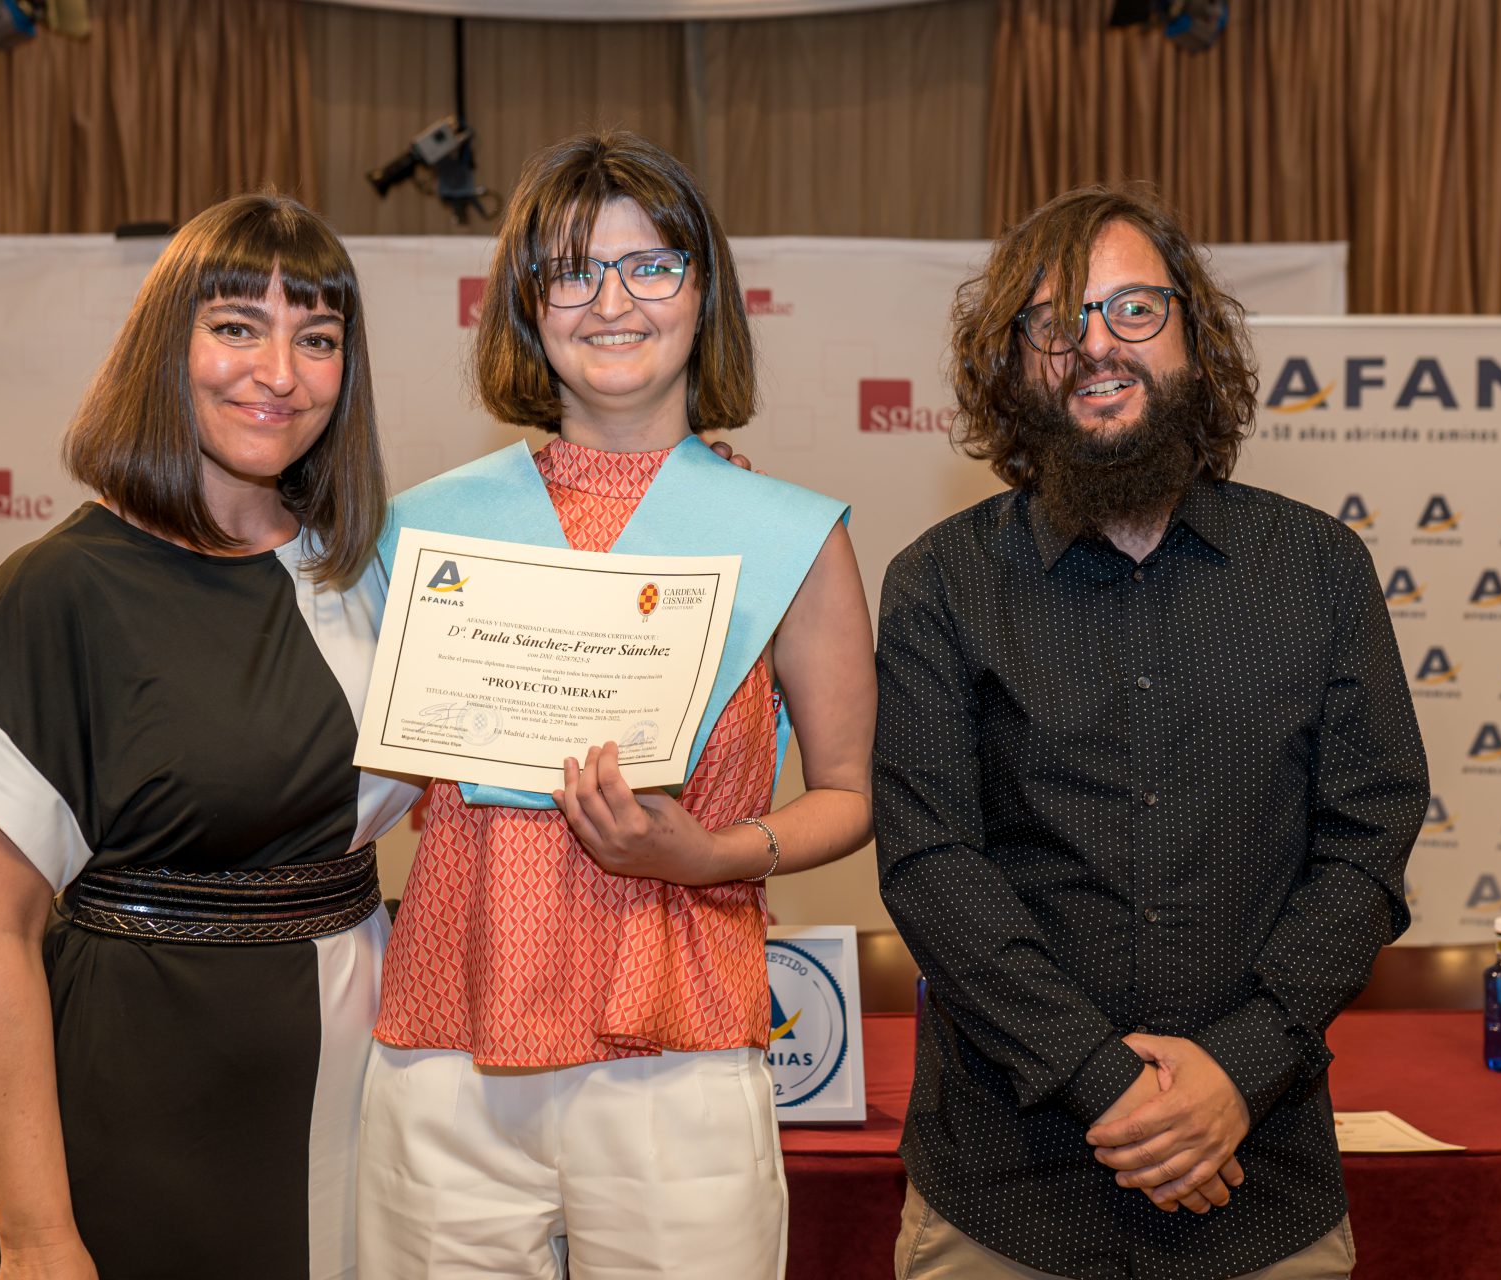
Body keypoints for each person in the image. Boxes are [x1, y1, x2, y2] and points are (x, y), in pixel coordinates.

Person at [875, 184, 1429, 1280]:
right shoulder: (938, 582)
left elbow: (1369, 842)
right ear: (1014, 360)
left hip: (1260, 1185)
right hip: (1005, 1198)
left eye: (1134, 309)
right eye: (1055, 320)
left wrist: (1242, 1067)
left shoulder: (1320, 571)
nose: (1096, 346)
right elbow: (934, 866)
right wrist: (1106, 1081)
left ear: (1194, 337)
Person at [356, 131, 878, 1279]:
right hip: (447, 1044)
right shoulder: (423, 529)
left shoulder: (790, 536)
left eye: (653, 265)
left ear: (706, 293)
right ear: (526, 306)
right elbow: (364, 787)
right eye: (573, 269)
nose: (612, 301)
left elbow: (848, 794)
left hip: (679, 1054)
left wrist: (709, 851)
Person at [0, 192, 418, 1280]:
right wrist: (40, 1236)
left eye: (318, 337)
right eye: (237, 325)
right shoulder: (58, 593)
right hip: (140, 1098)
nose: (279, 371)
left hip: (366, 1078)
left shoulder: (368, 570)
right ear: (165, 345)